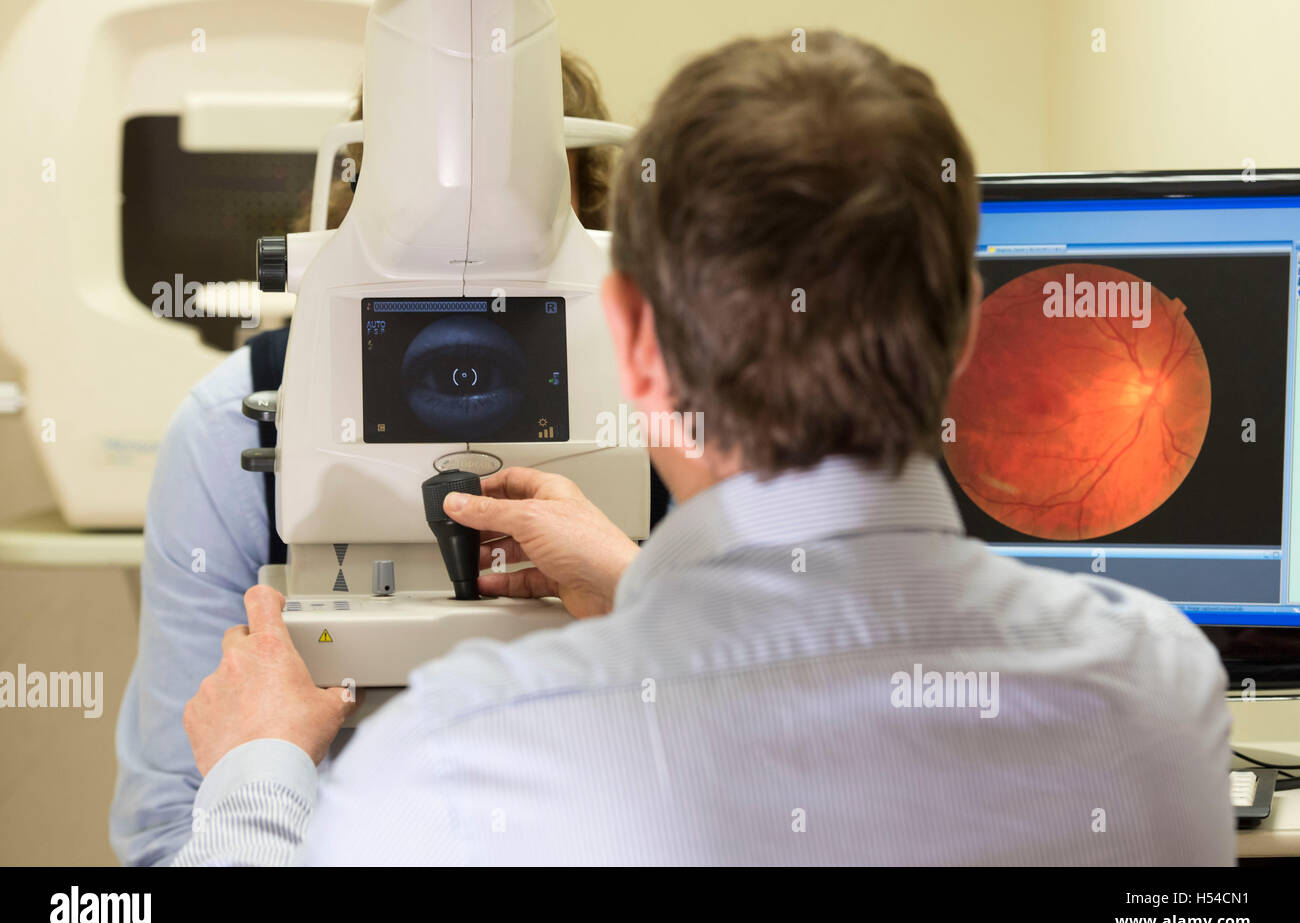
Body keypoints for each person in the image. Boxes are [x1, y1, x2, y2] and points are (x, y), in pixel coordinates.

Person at [173, 31, 1234, 866]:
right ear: (966, 322)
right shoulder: (1157, 691)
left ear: (623, 337)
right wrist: (645, 591)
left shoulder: (455, 762)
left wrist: (256, 772)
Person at [110, 52, 619, 867]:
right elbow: (170, 827)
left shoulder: (670, 429)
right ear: (352, 211)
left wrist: (642, 608)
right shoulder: (228, 427)